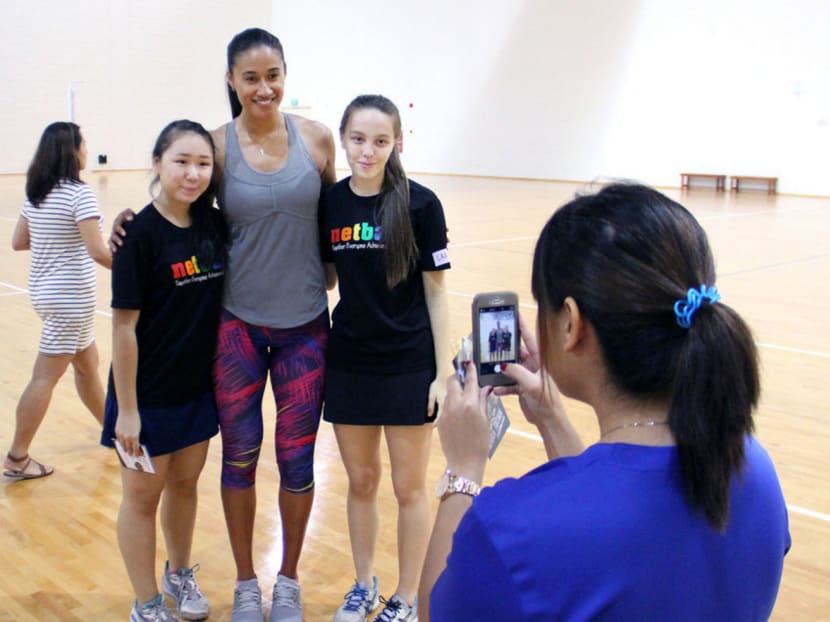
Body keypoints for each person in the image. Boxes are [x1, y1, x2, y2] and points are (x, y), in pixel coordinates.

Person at [419, 183, 791, 621]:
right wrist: (552, 418)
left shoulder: (513, 531)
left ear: (571, 324)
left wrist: (463, 472)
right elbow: (616, 517)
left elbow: (436, 611)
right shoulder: (754, 467)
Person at [110, 28, 336, 622]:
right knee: (238, 456)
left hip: (306, 328)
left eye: (273, 74)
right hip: (236, 327)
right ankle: (242, 582)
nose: (264, 87)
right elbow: (177, 204)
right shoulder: (213, 144)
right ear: (232, 81)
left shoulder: (316, 138)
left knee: (297, 459)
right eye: (251, 77)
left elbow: (339, 214)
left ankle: (285, 580)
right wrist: (128, 221)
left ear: (286, 74)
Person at [321, 94, 451, 622]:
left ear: (397, 143)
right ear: (344, 139)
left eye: (380, 141)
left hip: (408, 363)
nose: (368, 151)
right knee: (361, 482)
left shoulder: (421, 205)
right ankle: (363, 584)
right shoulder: (331, 203)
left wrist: (443, 374)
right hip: (349, 359)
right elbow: (327, 276)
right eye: (358, 139)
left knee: (407, 486)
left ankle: (406, 594)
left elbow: (438, 293)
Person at [102, 119, 227, 622]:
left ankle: (179, 574)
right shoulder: (138, 235)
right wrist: (128, 411)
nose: (193, 174)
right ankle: (147, 602)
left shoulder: (214, 225)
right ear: (157, 164)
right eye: (181, 161)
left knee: (186, 485)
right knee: (141, 498)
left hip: (196, 389)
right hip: (145, 397)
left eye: (203, 163)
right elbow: (123, 328)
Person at [4, 121, 111, 481]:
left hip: (46, 294)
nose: (86, 149)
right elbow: (99, 250)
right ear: (72, 151)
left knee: (88, 366)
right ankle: (17, 458)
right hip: (70, 298)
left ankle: (113, 433)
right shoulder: (79, 194)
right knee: (44, 378)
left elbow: (19, 241)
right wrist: (140, 271)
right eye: (84, 143)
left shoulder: (37, 192)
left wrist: (56, 239)